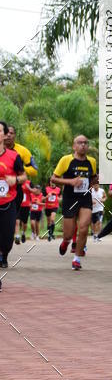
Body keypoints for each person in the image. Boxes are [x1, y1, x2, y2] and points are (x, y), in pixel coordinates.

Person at [52, 135, 96, 271]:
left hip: (85, 198)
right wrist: (70, 182)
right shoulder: (66, 160)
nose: (83, 145)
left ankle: (77, 259)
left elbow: (93, 178)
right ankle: (66, 242)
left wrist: (96, 180)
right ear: (74, 146)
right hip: (70, 198)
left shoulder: (92, 162)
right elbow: (54, 179)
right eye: (80, 143)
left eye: (85, 143)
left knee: (83, 228)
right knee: (68, 234)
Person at [0, 120, 27, 280]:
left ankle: (4, 253)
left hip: (8, 201)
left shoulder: (13, 156)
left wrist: (14, 180)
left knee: (7, 236)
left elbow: (24, 176)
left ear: (4, 135)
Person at [14, 178, 31, 245]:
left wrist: (29, 188)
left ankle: (23, 233)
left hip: (26, 206)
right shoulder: (15, 182)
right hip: (18, 205)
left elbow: (35, 191)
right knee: (17, 221)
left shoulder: (29, 183)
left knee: (25, 223)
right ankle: (17, 237)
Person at [91, 177, 106, 241]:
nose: (96, 186)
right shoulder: (90, 191)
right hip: (93, 209)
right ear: (92, 185)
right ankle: (95, 235)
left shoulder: (102, 190)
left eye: (97, 185)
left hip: (100, 208)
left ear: (99, 185)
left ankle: (99, 236)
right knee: (94, 223)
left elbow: (105, 197)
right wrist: (91, 201)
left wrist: (103, 199)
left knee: (99, 222)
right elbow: (86, 198)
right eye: (94, 185)